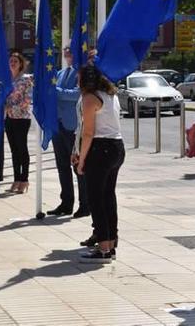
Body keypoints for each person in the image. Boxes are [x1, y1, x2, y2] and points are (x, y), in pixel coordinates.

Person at [71, 64, 125, 263]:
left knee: (96, 199)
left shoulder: (89, 98)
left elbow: (88, 132)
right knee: (108, 197)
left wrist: (81, 159)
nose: (77, 81)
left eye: (78, 78)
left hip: (100, 149)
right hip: (117, 146)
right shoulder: (111, 95)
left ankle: (102, 247)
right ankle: (110, 244)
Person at [49, 47, 89, 218]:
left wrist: (55, 91)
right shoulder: (60, 73)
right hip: (57, 124)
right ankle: (66, 202)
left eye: (70, 52)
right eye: (66, 52)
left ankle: (85, 204)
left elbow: (77, 95)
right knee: (62, 166)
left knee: (77, 167)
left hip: (73, 125)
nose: (67, 55)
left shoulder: (82, 73)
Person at [5, 51, 33, 194]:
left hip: (22, 118)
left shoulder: (26, 79)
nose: (13, 63)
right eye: (11, 61)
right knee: (14, 150)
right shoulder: (7, 79)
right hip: (9, 118)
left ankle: (24, 179)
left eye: (15, 61)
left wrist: (12, 107)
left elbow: (27, 100)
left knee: (22, 149)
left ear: (21, 64)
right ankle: (16, 179)